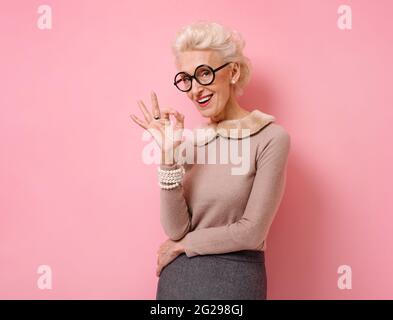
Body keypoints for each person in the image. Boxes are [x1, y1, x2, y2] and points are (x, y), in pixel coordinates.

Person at [130, 21, 291, 300]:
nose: (195, 90)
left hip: (235, 279)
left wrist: (180, 246)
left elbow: (251, 232)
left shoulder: (271, 138)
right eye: (187, 79)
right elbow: (175, 229)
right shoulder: (191, 142)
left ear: (233, 71)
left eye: (204, 73)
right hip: (177, 282)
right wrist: (169, 156)